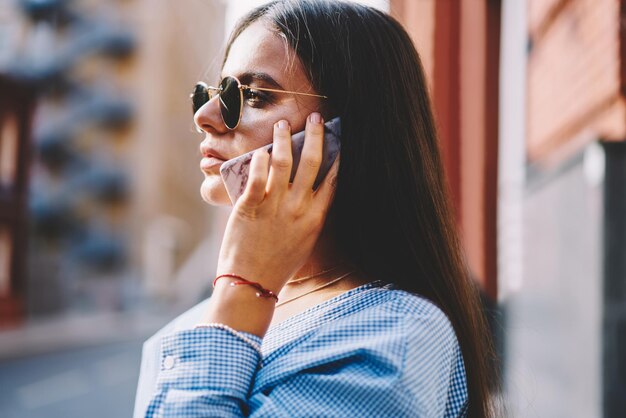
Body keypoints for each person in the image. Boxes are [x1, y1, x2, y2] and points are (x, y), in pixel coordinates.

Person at [134, 1, 497, 417]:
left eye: (252, 95)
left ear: (345, 133)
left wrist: (240, 286)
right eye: (214, 92)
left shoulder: (391, 337)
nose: (205, 115)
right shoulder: (221, 310)